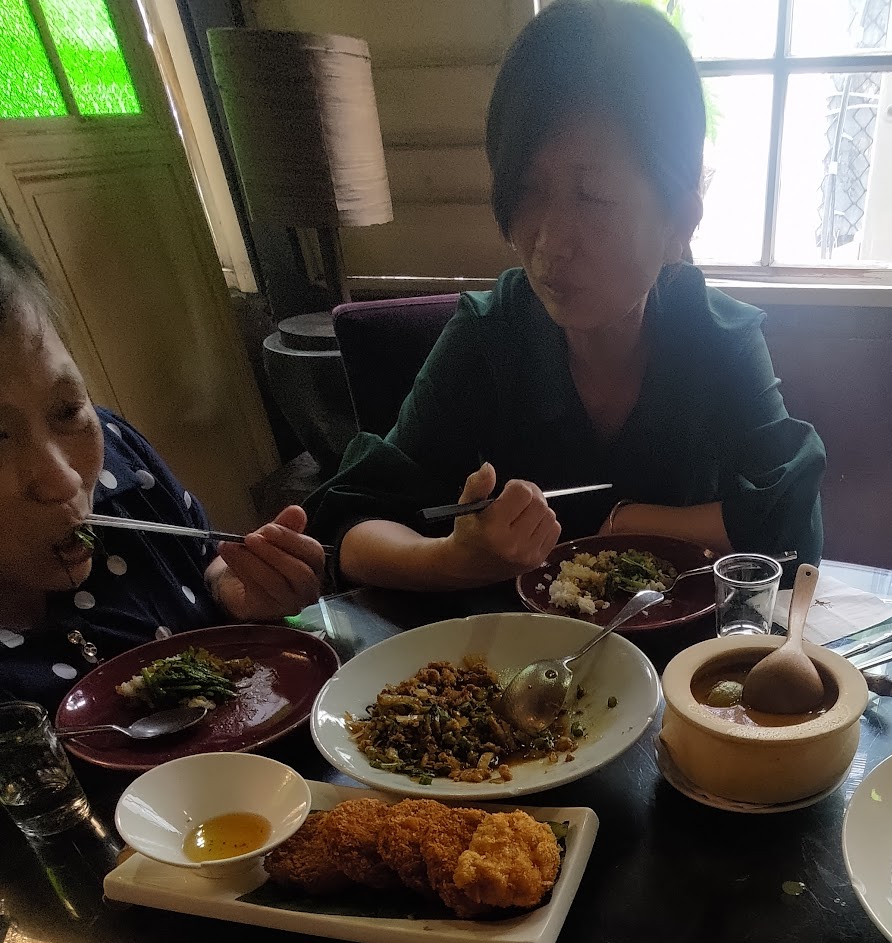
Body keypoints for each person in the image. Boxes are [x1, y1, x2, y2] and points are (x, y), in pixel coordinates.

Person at [307, 0, 826, 591]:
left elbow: (793, 531)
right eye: (528, 191)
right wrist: (456, 559)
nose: (550, 244)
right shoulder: (490, 336)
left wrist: (628, 521)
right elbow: (352, 525)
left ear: (679, 221)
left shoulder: (717, 337)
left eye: (594, 196)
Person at [0, 224, 326, 710]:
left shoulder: (117, 457)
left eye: (67, 410)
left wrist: (235, 587)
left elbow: (204, 559)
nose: (63, 479)